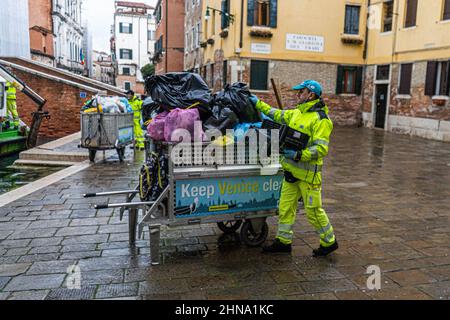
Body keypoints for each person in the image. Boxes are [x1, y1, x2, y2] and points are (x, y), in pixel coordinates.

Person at [249, 80, 338, 257]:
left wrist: (298, 155)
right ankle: (283, 242)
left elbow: (321, 149)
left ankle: (329, 242)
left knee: (313, 212)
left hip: (308, 177)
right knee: (285, 208)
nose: (297, 94)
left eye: (300, 92)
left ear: (310, 95)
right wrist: (258, 103)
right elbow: (276, 114)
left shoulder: (321, 120)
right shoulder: (297, 113)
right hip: (291, 173)